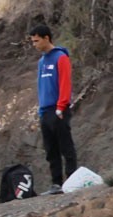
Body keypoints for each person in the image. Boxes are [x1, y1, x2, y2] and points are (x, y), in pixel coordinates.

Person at [30, 24, 77, 194]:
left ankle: (72, 180)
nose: (34, 44)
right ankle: (56, 183)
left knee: (66, 146)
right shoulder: (42, 61)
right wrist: (41, 111)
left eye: (36, 41)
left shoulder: (61, 57)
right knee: (51, 150)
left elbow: (65, 83)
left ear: (46, 38)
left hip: (59, 109)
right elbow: (42, 87)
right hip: (45, 111)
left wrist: (61, 106)